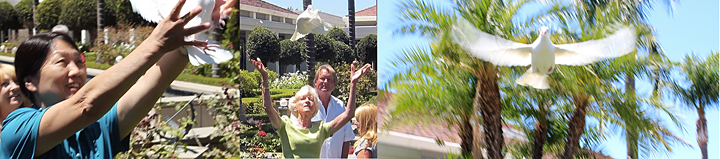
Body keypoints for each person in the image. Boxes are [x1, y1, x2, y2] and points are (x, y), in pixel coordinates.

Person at [0, 0, 237, 158]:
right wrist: (154, 44)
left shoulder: (97, 129)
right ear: (29, 81)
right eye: (62, 62)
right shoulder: (17, 131)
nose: (76, 71)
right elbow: (85, 104)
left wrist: (200, 22)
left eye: (79, 61)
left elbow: (154, 80)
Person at [251, 58, 371, 158]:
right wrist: (265, 77)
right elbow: (268, 108)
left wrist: (353, 83)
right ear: (295, 106)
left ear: (315, 109)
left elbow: (349, 114)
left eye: (311, 99)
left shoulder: (321, 129)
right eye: (303, 99)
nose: (307, 101)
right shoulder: (285, 125)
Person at [291, 64, 356, 158]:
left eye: (329, 79)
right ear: (316, 82)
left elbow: (346, 138)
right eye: (322, 78)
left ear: (334, 84)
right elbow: (293, 135)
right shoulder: (304, 105)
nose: (325, 82)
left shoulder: (340, 106)